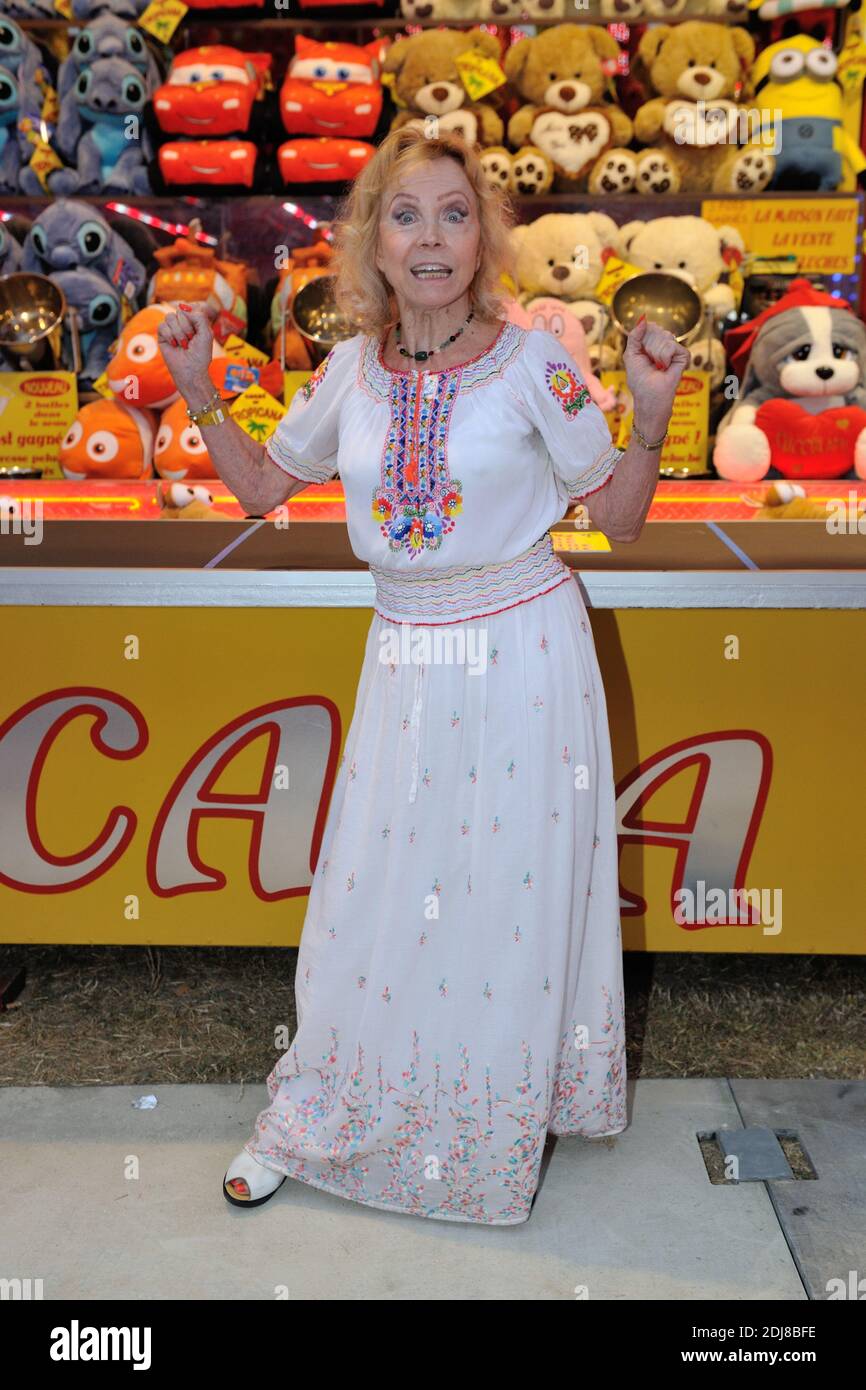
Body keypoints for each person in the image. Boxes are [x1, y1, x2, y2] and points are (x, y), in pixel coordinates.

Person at [158, 127, 689, 1226]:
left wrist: (645, 413)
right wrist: (198, 387)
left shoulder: (536, 357)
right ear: (372, 243)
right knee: (368, 892)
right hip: (403, 654)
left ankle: (484, 1126)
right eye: (406, 215)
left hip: (525, 655)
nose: (431, 236)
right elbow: (261, 488)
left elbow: (622, 518)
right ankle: (316, 1115)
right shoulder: (348, 370)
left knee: (503, 902)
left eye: (453, 213)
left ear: (482, 236)